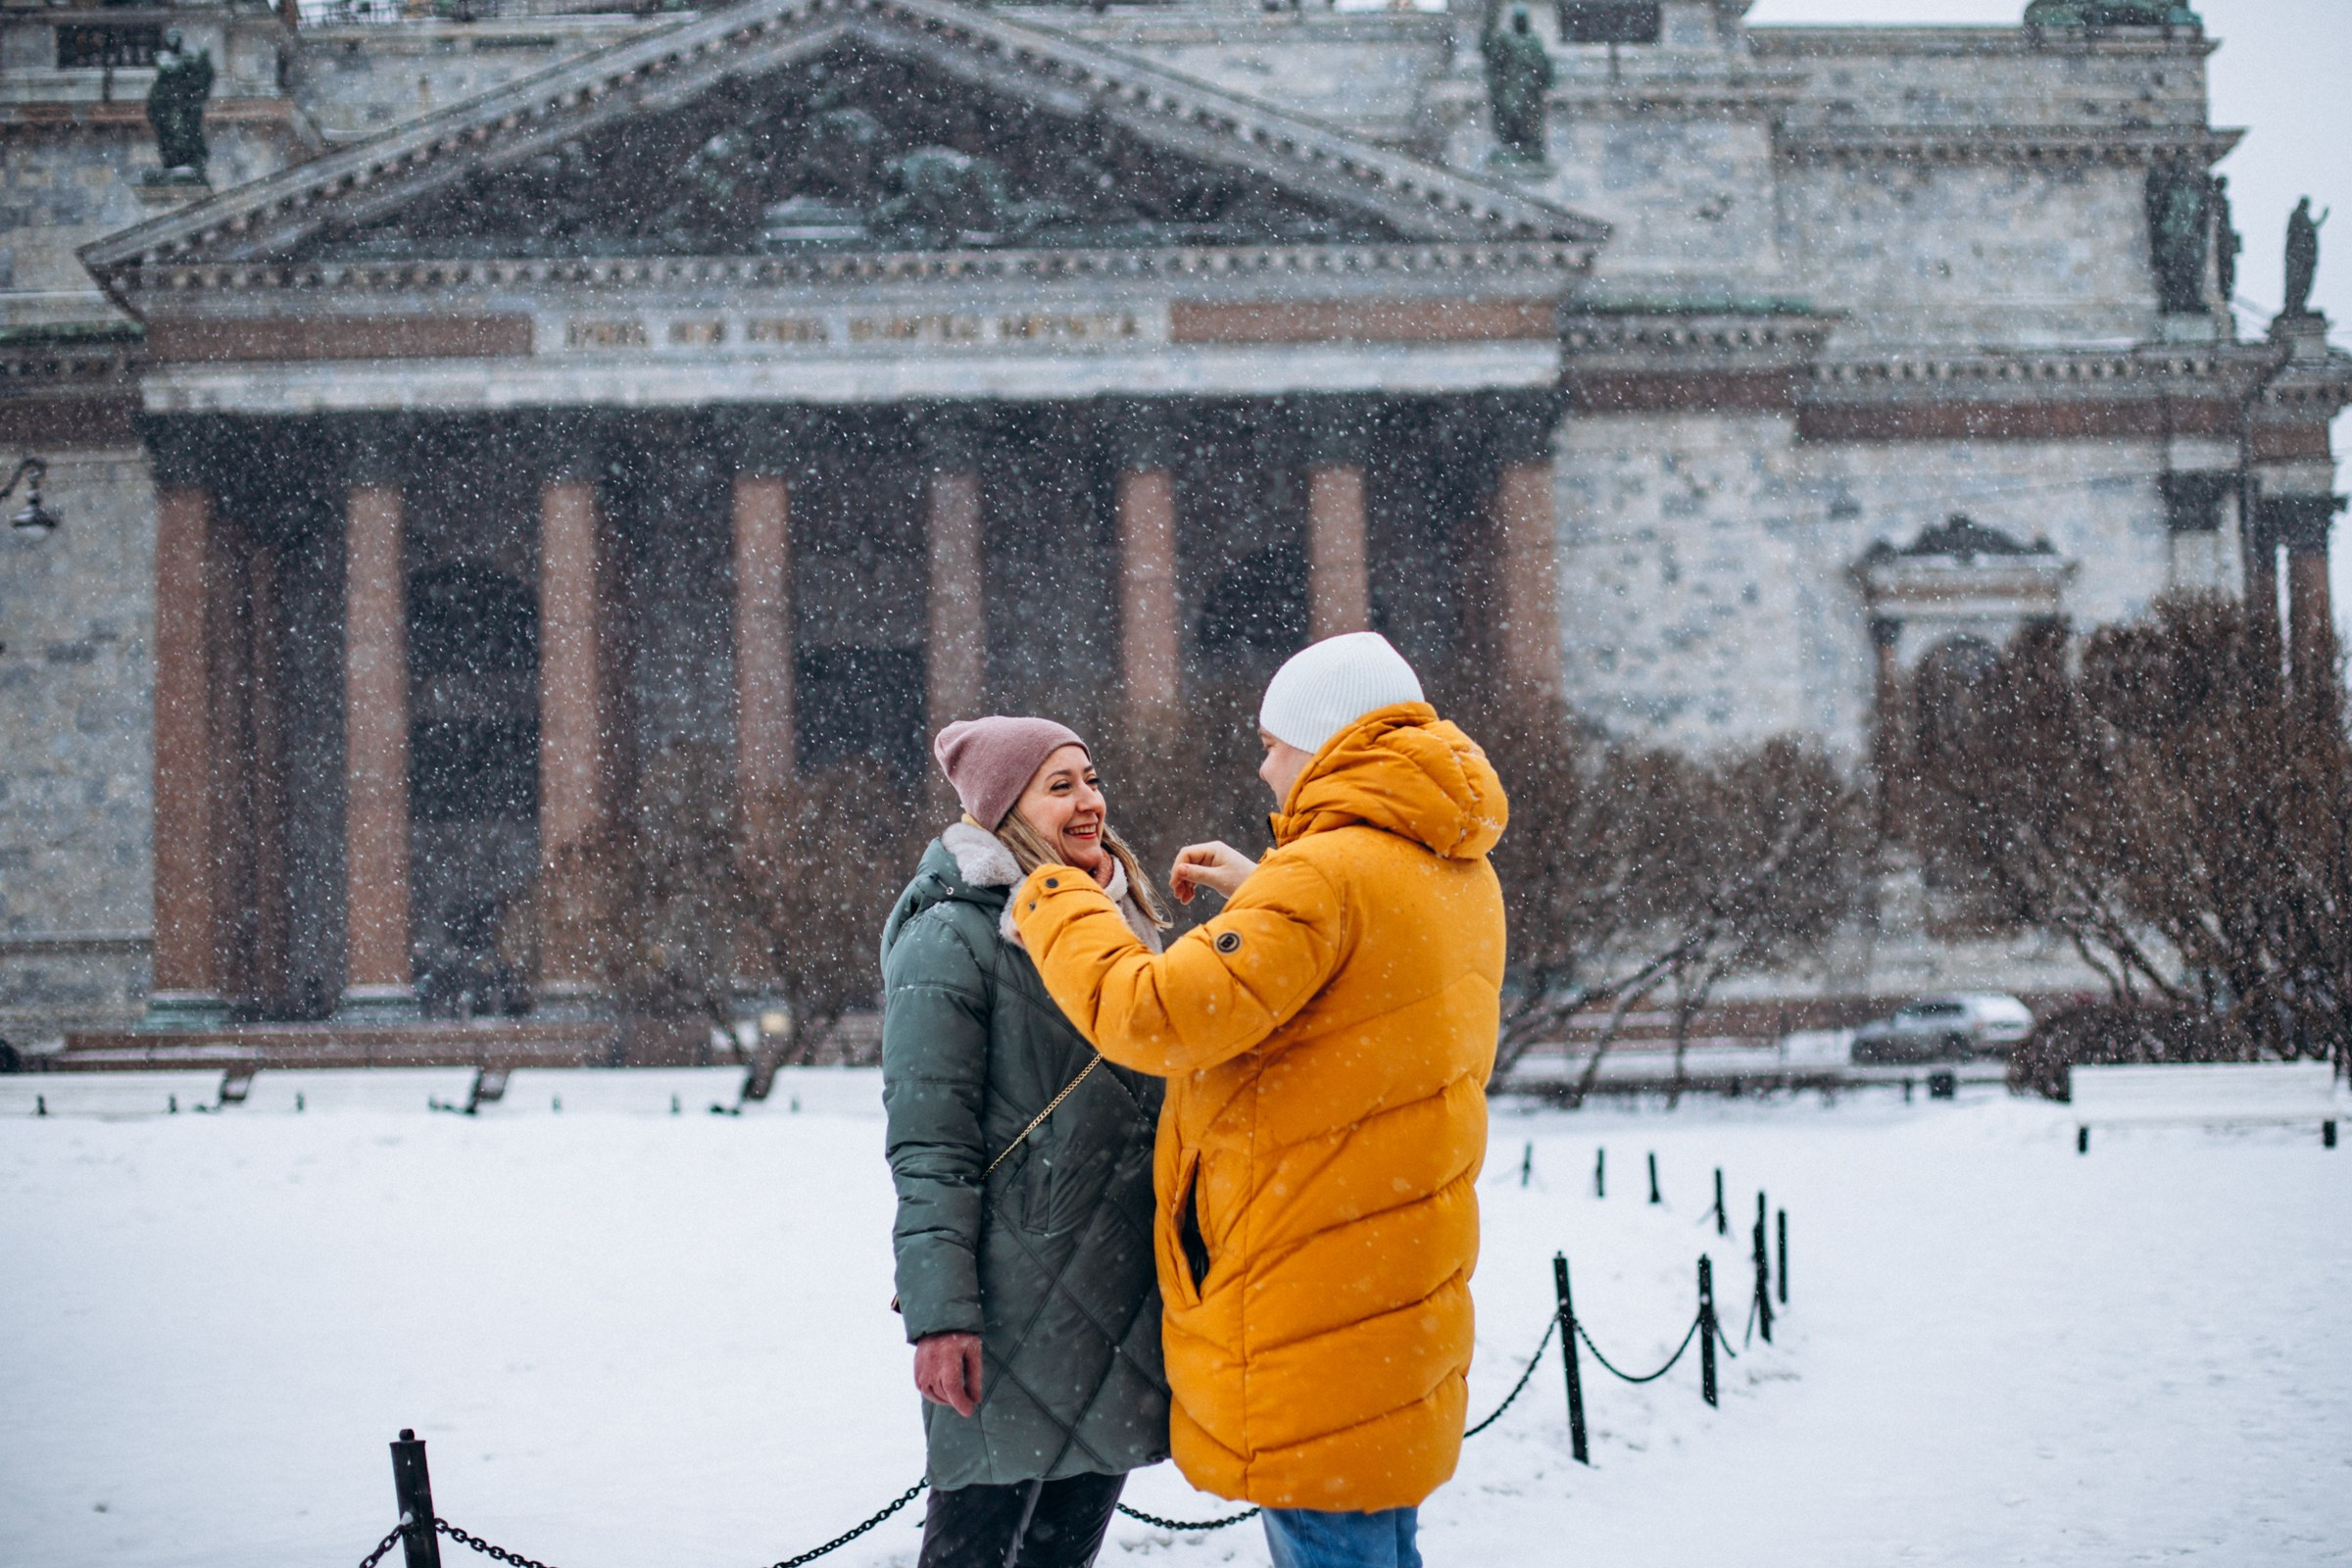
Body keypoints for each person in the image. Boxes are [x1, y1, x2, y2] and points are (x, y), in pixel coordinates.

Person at [1010, 633, 1508, 1568]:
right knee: (1377, 1532)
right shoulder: (1449, 864)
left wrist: (1056, 898)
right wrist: (1264, 893)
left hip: (1309, 1294)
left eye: (1277, 741)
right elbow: (1366, 978)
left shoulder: (1323, 880)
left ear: (1328, 745)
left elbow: (1152, 1015)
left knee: (1331, 1539)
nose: (1264, 762)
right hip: (1390, 1288)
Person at [881, 716, 1175, 1568]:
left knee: (1064, 1556)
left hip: (1121, 1293)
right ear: (1006, 807)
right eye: (1060, 787)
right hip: (1008, 1311)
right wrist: (941, 1320)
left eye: (1090, 777)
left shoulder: (1122, 917)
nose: (1090, 802)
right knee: (971, 1555)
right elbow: (930, 1150)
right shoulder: (950, 937)